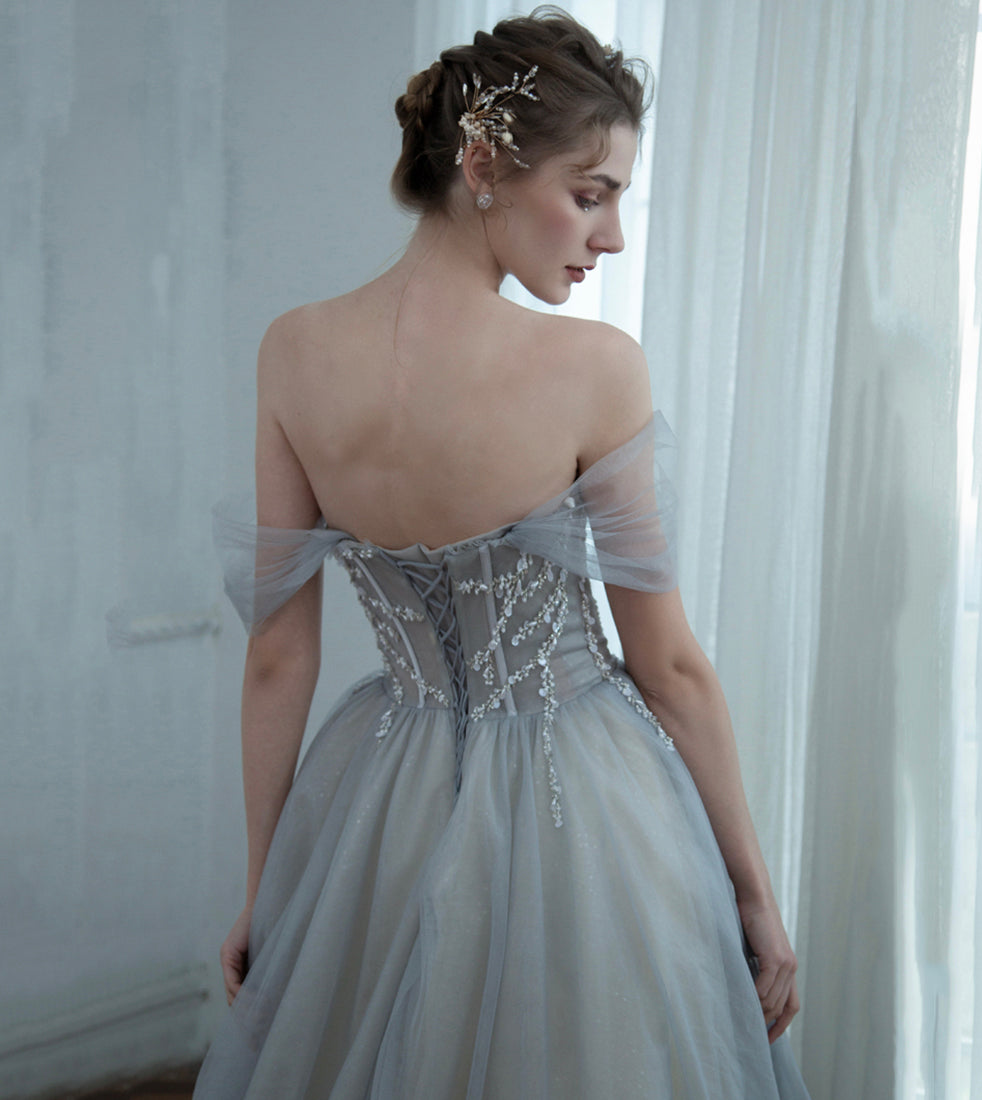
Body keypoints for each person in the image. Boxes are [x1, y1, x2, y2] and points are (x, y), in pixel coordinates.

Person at [194, 8, 810, 1097]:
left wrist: (271, 891)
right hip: (586, 802)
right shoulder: (595, 368)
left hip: (380, 797)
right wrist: (752, 892)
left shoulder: (293, 352)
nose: (611, 237)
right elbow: (668, 667)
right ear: (482, 164)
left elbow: (278, 659)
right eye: (591, 193)